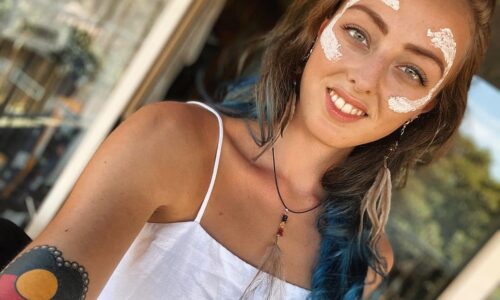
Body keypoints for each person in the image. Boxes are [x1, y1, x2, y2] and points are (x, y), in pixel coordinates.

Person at [0, 0, 495, 299]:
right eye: (359, 33)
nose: (363, 80)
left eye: (412, 71)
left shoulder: (364, 261)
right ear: (319, 28)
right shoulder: (176, 142)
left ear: (425, 110)